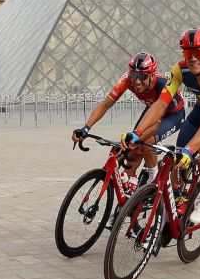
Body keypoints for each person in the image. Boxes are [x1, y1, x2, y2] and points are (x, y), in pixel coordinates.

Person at [129, 28, 200, 225]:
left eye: (199, 53)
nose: (193, 58)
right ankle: (176, 197)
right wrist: (137, 133)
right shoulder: (179, 70)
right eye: (188, 53)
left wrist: (191, 150)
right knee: (177, 157)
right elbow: (160, 104)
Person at [73, 52, 184, 186]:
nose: (137, 81)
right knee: (130, 151)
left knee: (143, 140)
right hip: (151, 109)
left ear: (152, 75)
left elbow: (156, 122)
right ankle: (131, 187)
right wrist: (86, 128)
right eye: (134, 75)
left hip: (172, 115)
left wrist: (140, 138)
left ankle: (153, 182)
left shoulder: (162, 85)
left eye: (142, 76)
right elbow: (105, 105)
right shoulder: (127, 80)